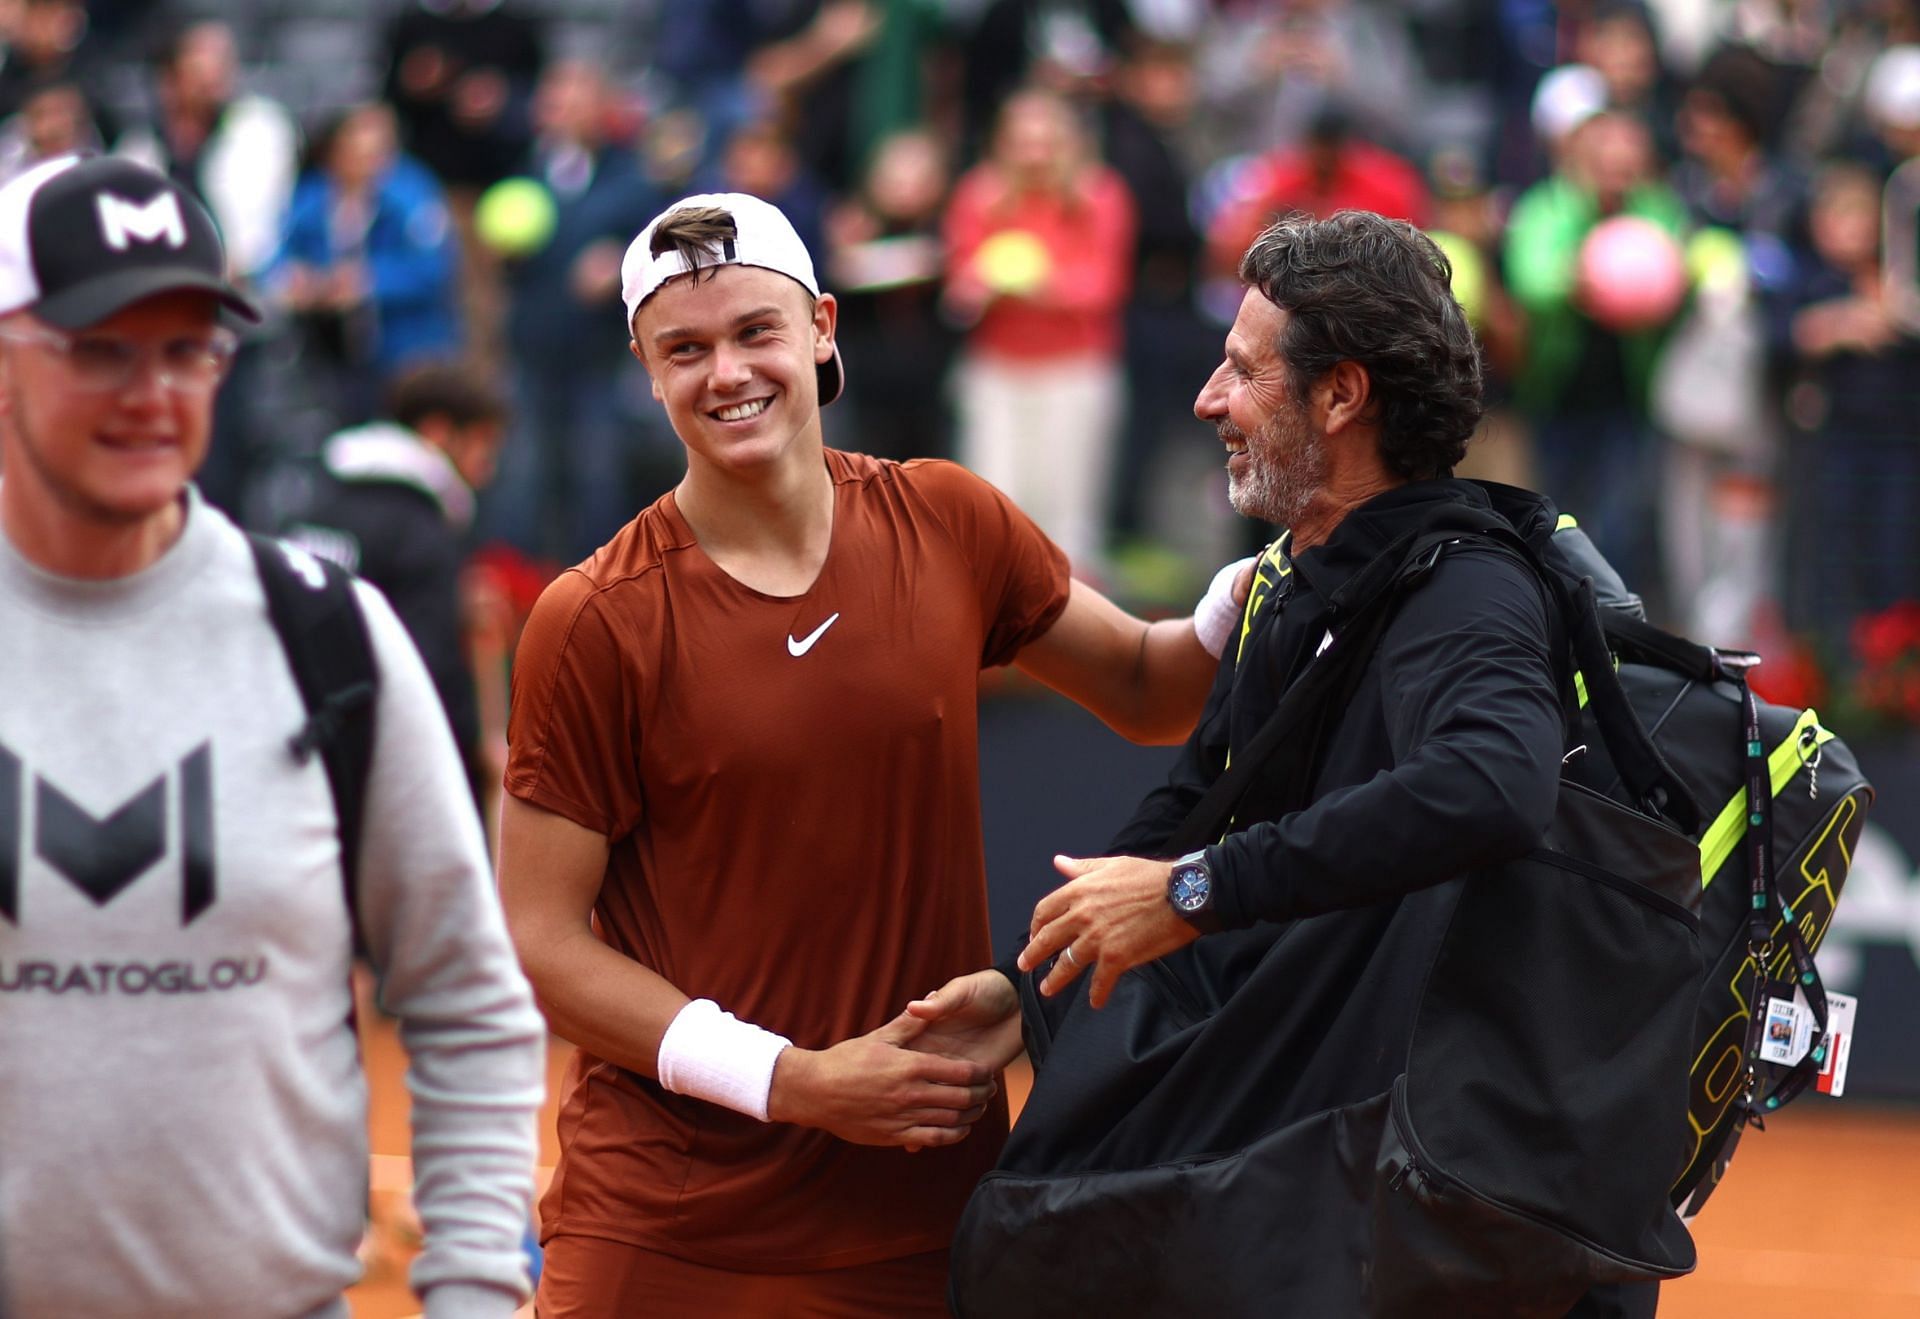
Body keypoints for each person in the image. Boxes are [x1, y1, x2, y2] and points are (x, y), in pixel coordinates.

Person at [496, 190, 1247, 1317]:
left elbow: (1152, 685)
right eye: (685, 349)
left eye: (757, 331)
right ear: (647, 369)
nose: (727, 373)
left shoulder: (950, 520)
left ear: (822, 327)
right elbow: (543, 941)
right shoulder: (594, 616)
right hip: (665, 1222)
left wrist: (1289, 555)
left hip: (918, 1209)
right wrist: (795, 1081)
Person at [912, 211, 1648, 1315]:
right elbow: (1199, 804)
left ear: (1341, 396)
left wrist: (1197, 893)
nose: (1210, 400)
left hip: (1413, 1199)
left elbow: (1493, 781)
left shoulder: (1465, 587)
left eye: (1244, 371)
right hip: (1316, 1164)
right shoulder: (1296, 579)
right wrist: (1031, 986)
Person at [0, 154, 545, 1317]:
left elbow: (468, 1001)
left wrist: (472, 1296)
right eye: (100, 344)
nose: (152, 388)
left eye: (188, 345)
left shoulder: (325, 635)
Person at [279, 361, 510, 806]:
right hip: (384, 772)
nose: (488, 471)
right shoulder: (422, 531)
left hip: (298, 749)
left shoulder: (317, 500)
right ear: (439, 434)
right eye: (483, 448)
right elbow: (430, 668)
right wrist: (468, 764)